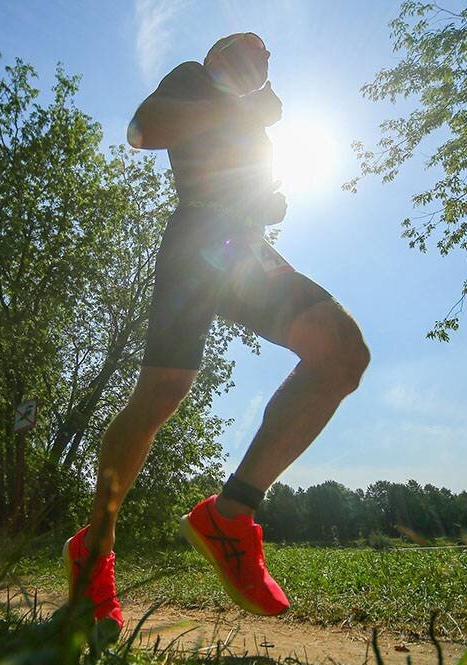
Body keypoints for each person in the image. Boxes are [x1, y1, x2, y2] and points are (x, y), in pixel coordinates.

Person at [64, 32, 369, 630]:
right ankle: (93, 552)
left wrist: (265, 199)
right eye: (252, 51)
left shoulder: (251, 119)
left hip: (243, 248)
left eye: (269, 58)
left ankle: (231, 516)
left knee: (340, 353)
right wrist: (240, 108)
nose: (265, 60)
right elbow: (142, 130)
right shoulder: (194, 79)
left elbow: (233, 176)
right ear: (219, 57)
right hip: (195, 243)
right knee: (160, 394)